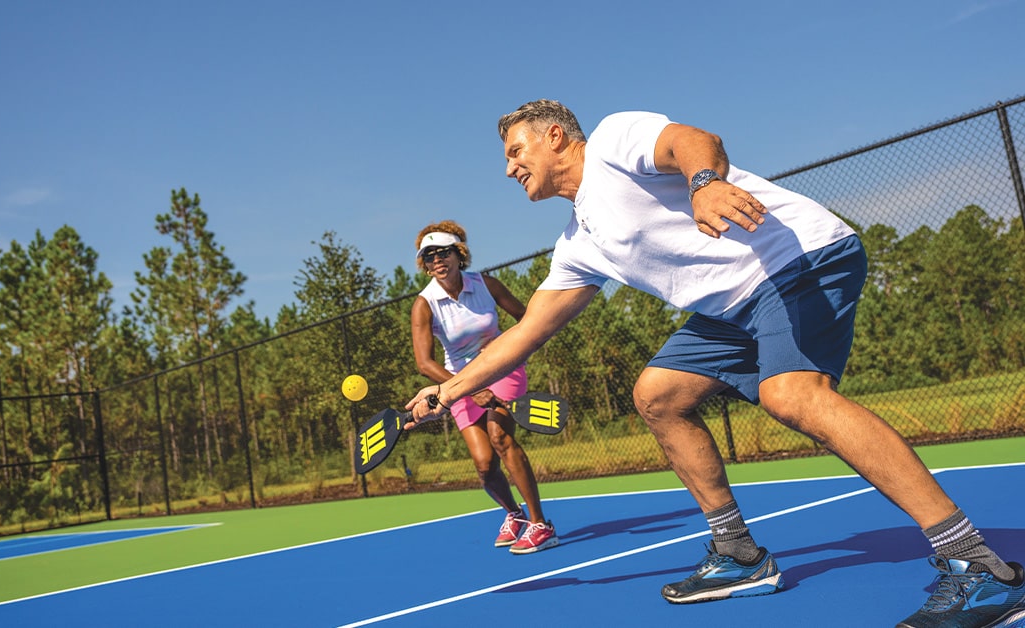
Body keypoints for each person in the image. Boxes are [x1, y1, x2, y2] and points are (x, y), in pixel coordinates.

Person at [404, 100, 1024, 626]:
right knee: (658, 394)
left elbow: (693, 141)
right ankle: (738, 553)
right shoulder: (579, 243)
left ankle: (981, 567)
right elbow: (527, 332)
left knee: (792, 395)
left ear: (556, 137)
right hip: (735, 306)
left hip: (799, 261)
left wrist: (706, 183)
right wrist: (448, 389)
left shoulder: (616, 140)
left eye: (516, 151)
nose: (510, 167)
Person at [408, 220, 558, 554]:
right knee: (484, 464)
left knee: (500, 437)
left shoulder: (487, 284)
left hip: (503, 366)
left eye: (443, 253)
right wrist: (467, 387)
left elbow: (527, 318)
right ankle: (513, 514)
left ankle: (540, 524)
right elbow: (424, 363)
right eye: (429, 257)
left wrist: (509, 348)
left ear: (458, 254)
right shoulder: (424, 304)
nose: (437, 261)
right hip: (457, 380)